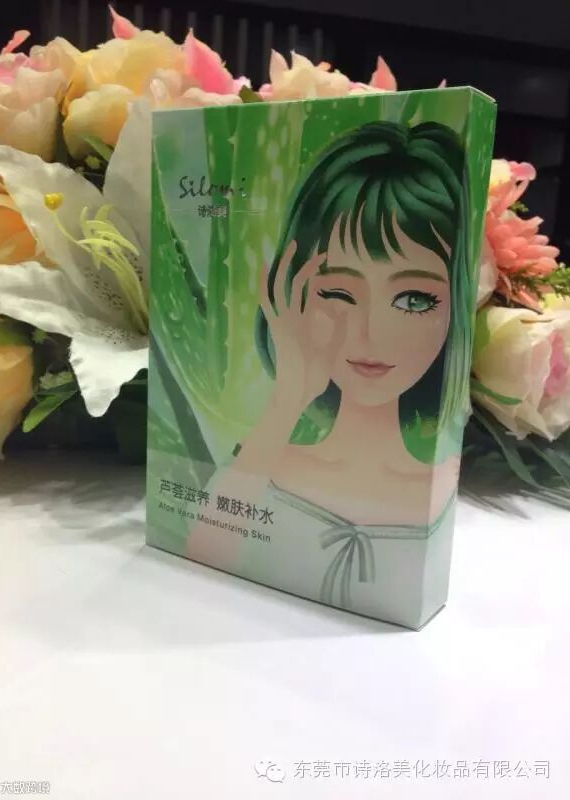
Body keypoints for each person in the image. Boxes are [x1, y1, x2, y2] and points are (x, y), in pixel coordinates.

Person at [186, 120, 473, 609]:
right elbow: (201, 558)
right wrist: (288, 398)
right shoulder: (266, 464)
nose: (371, 334)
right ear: (290, 292)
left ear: (455, 307)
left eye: (413, 299)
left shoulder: (446, 481)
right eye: (339, 293)